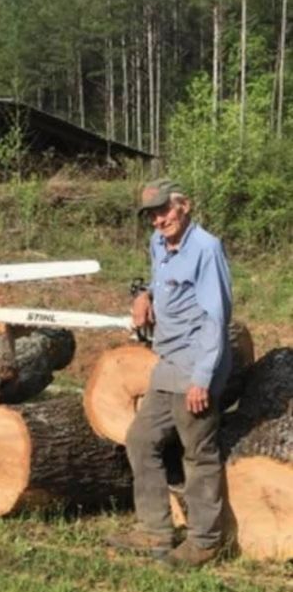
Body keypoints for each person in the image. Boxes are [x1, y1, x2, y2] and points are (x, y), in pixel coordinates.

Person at [108, 178, 233, 567]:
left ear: (185, 206)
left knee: (198, 454)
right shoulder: (158, 244)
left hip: (196, 364)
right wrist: (142, 295)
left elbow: (217, 317)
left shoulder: (206, 249)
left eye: (164, 210)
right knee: (141, 439)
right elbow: (160, 284)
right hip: (167, 361)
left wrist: (203, 378)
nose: (159, 220)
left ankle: (206, 540)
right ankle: (155, 529)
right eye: (152, 215)